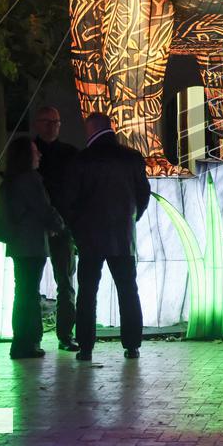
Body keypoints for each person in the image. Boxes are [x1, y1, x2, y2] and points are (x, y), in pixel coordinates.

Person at [65, 112, 151, 361]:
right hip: (122, 236)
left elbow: (71, 201)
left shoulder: (82, 161)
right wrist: (130, 219)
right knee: (127, 290)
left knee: (88, 292)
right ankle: (132, 344)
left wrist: (77, 230)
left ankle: (86, 346)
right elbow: (143, 195)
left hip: (90, 237)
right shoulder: (131, 158)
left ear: (90, 130)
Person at [0, 136, 63, 359]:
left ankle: (20, 342)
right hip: (32, 244)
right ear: (27, 155)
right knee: (29, 293)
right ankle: (28, 342)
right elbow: (43, 208)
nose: (40, 155)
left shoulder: (11, 180)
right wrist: (58, 225)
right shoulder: (30, 179)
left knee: (22, 292)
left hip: (18, 244)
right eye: (36, 151)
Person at [32, 105, 80, 352]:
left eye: (56, 122)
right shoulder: (30, 151)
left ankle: (65, 334)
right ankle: (34, 337)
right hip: (38, 228)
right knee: (32, 286)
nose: (52, 126)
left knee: (66, 283)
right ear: (38, 124)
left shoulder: (70, 154)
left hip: (62, 228)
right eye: (47, 121)